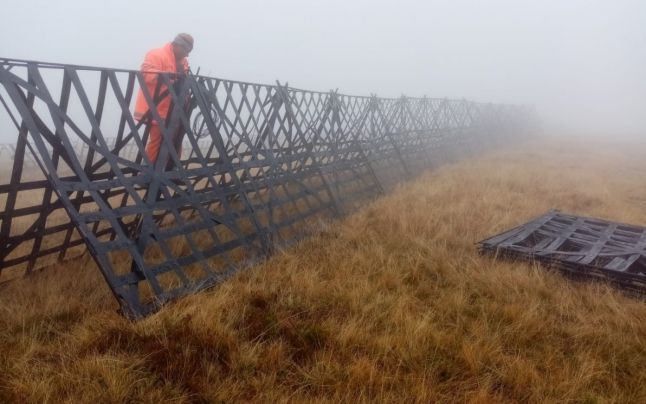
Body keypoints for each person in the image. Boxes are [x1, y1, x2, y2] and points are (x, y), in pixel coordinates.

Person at [134, 33, 194, 164]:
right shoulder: (156, 54)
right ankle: (149, 173)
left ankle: (171, 170)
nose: (187, 55)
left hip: (176, 108)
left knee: (177, 139)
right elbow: (146, 74)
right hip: (157, 107)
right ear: (177, 45)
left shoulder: (183, 61)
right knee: (158, 140)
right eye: (186, 50)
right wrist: (167, 78)